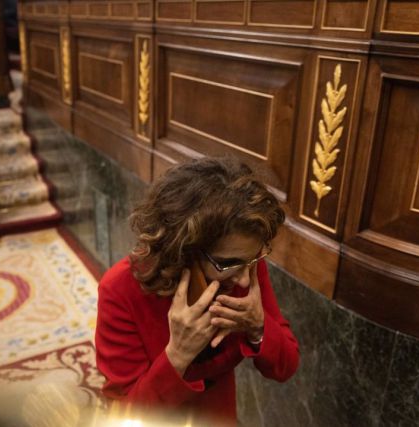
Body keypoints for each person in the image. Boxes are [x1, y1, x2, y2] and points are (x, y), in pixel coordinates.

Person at [95, 157, 299, 425]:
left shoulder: (243, 265)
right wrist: (178, 354)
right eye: (226, 264)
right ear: (181, 250)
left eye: (253, 259)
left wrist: (258, 327)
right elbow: (126, 417)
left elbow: (286, 366)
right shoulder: (120, 289)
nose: (243, 282)